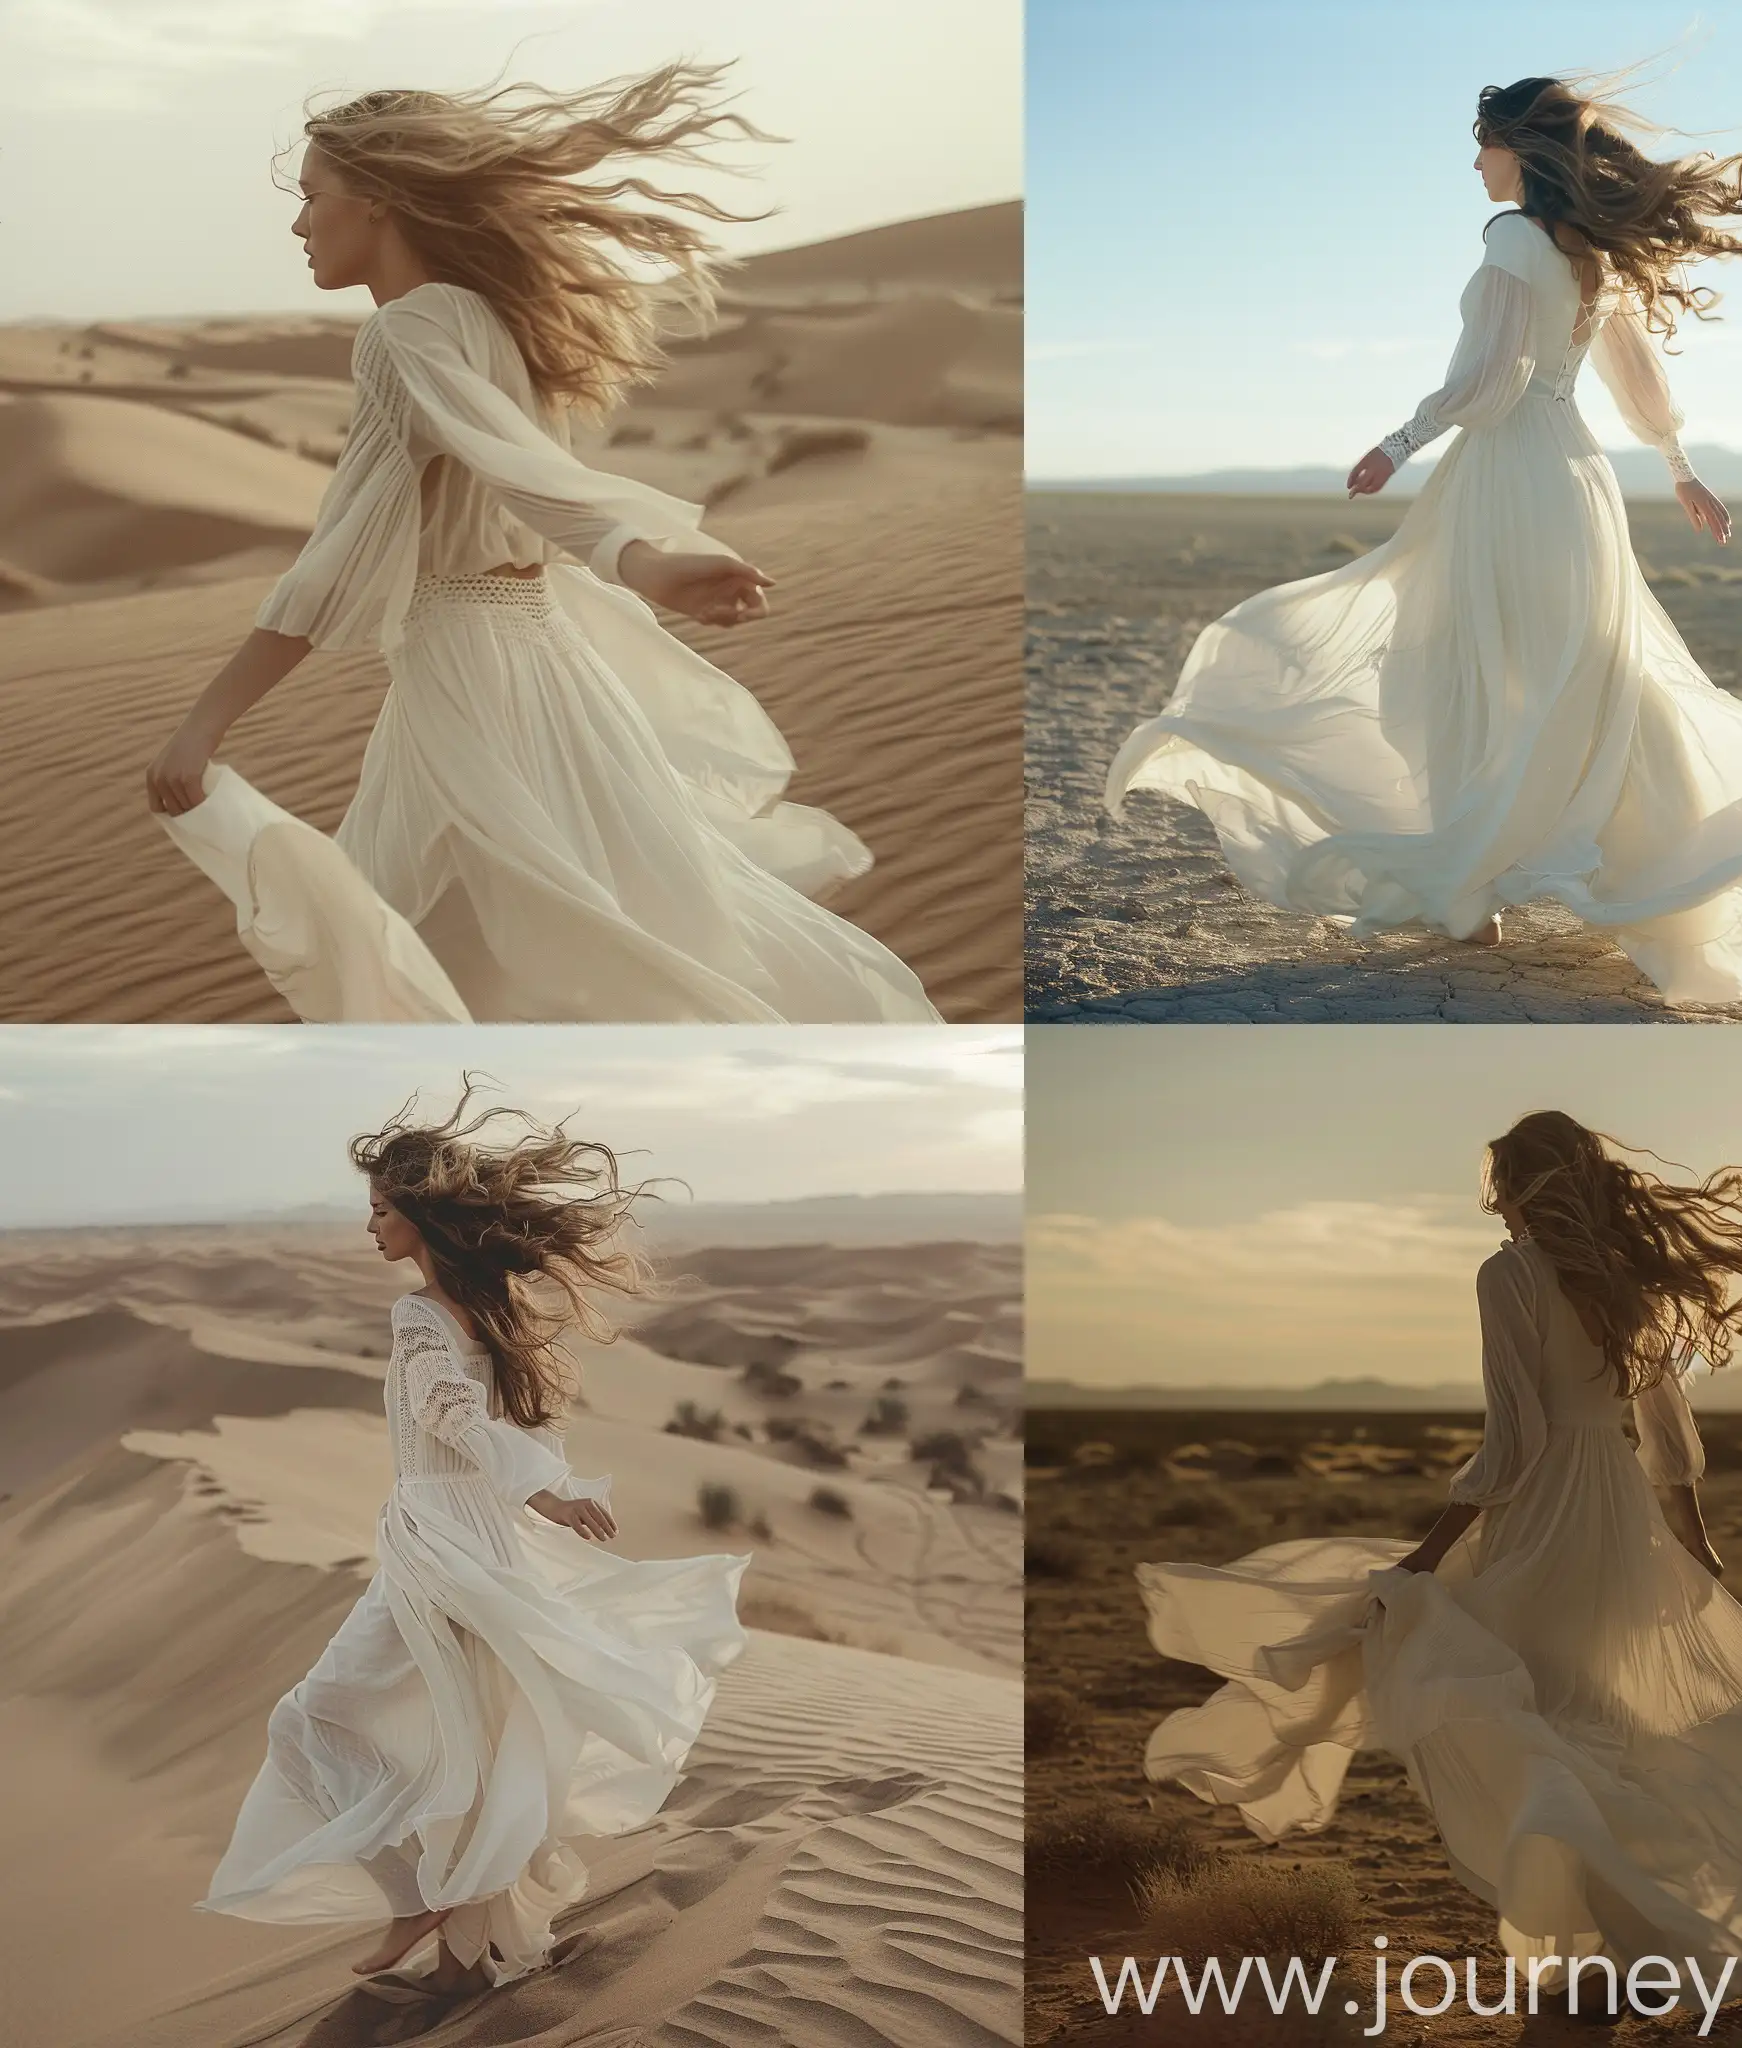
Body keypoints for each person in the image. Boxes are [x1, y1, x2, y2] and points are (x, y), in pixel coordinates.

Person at [146, 62, 940, 1024]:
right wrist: (634, 558)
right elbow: (524, 481)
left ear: (381, 202)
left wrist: (205, 724)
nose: (299, 223)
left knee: (429, 951)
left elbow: (352, 554)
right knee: (530, 932)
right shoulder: (486, 318)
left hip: (473, 682)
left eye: (314, 197)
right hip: (549, 666)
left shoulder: (405, 332)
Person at [1107, 76, 1742, 1007]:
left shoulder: (1512, 238)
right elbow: (1629, 371)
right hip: (1578, 476)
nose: (1475, 161)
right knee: (1584, 672)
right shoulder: (1589, 252)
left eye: (1485, 143)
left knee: (1466, 664)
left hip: (1509, 469)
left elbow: (1490, 377)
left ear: (1523, 152)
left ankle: (1473, 893)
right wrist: (1678, 463)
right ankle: (1605, 868)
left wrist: (1398, 442)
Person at [1138, 1110, 1742, 2007]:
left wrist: (1428, 1555)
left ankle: (1581, 1957)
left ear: (1524, 1185)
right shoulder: (1623, 1279)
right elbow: (1666, 1429)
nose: (1496, 1207)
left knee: (1532, 1715)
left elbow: (1515, 1442)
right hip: (1621, 1515)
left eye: (1500, 1185)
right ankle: (1600, 1950)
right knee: (1601, 1719)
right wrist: (1693, 1535)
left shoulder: (1508, 1275)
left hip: (1544, 1514)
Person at [200, 1090, 748, 2001]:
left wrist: (551, 1496)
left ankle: (421, 1899)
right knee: (474, 1747)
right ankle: (462, 1960)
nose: (368, 1224)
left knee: (310, 1717)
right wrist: (550, 1496)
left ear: (422, 1216)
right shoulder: (486, 1314)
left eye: (381, 1208)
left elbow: (450, 1419)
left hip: (445, 1546)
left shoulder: (422, 1317)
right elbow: (488, 1426)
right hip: (478, 1541)